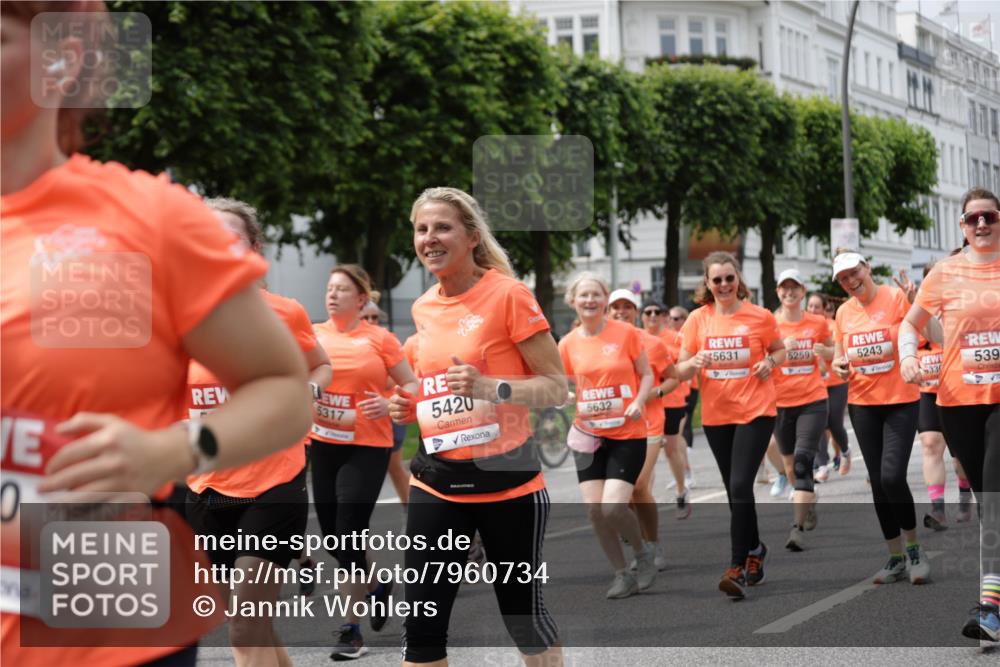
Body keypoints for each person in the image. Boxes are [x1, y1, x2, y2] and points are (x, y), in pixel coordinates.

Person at [1, 4, 312, 665]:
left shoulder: (143, 219)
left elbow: (284, 385)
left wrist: (176, 447)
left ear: (62, 59)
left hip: (98, 612)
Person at [388, 187, 566, 666]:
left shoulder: (508, 294)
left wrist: (492, 388)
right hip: (437, 482)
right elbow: (438, 387)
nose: (430, 238)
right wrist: (411, 404)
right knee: (421, 631)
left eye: (442, 227)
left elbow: (555, 388)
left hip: (507, 485)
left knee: (523, 622)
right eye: (421, 230)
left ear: (470, 237)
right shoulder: (423, 306)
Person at [184, 199, 332, 667]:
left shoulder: (283, 313)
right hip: (206, 488)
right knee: (250, 624)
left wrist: (308, 388)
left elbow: (321, 365)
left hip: (274, 483)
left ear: (252, 249)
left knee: (246, 625)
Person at [900, 187, 1000, 640]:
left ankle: (990, 608)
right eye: (973, 218)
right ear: (961, 226)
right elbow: (911, 324)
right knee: (987, 502)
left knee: (995, 498)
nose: (981, 224)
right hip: (956, 401)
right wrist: (907, 358)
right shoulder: (944, 273)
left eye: (990, 217)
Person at [311, 265, 418, 660]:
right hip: (323, 444)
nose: (333, 294)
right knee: (333, 539)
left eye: (342, 289)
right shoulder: (312, 335)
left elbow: (411, 384)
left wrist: (390, 403)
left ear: (361, 300)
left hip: (367, 445)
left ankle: (351, 631)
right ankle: (377, 587)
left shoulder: (380, 339)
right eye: (329, 288)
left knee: (348, 530)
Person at [674, 252, 787, 600]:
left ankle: (737, 566)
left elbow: (780, 351)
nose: (724, 285)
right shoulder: (697, 320)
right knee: (737, 493)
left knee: (739, 486)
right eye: (716, 279)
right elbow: (679, 369)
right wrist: (694, 361)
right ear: (707, 284)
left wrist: (770, 361)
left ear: (738, 278)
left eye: (729, 278)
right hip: (718, 416)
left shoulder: (760, 316)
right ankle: (755, 549)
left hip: (756, 411)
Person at [830, 252, 930, 585]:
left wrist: (917, 303)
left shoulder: (895, 296)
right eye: (843, 278)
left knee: (891, 476)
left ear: (867, 269)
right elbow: (839, 354)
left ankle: (914, 548)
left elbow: (916, 330)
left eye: (854, 272)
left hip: (901, 400)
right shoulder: (843, 313)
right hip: (862, 404)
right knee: (878, 482)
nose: (851, 281)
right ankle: (895, 556)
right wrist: (838, 365)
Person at [559, 275, 656, 598]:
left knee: (613, 507)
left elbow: (646, 373)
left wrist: (640, 401)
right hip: (588, 434)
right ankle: (621, 573)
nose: (590, 300)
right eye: (583, 295)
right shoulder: (568, 343)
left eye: (596, 295)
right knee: (594, 510)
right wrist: (565, 397)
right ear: (573, 300)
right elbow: (562, 385)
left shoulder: (625, 333)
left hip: (626, 433)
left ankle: (642, 553)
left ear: (604, 300)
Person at [609, 290, 679, 570]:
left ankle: (652, 542)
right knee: (617, 495)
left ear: (635, 312)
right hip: (612, 426)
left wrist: (654, 392)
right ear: (608, 311)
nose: (621, 312)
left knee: (638, 485)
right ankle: (637, 541)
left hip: (649, 423)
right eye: (616, 307)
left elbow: (673, 379)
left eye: (627, 307)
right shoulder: (599, 342)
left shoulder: (652, 343)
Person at [771, 269, 834, 551]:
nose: (789, 292)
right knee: (789, 466)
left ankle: (795, 529)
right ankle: (807, 500)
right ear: (778, 292)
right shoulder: (769, 324)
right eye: (784, 288)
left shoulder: (818, 323)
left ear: (803, 290)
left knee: (802, 460)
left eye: (794, 287)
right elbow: (760, 362)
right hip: (781, 403)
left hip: (812, 399)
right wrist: (780, 350)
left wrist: (825, 354)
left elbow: (835, 352)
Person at [913, 261, 973, 531]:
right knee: (930, 444)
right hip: (927, 391)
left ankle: (964, 493)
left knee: (959, 454)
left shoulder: (961, 307)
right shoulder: (917, 312)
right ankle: (938, 509)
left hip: (958, 390)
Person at [642, 300, 692, 519]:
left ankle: (681, 491)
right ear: (642, 316)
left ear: (665, 315)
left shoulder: (676, 339)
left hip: (672, 401)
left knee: (671, 449)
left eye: (658, 312)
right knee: (647, 455)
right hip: (647, 404)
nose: (653, 315)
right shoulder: (637, 339)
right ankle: (643, 500)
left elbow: (684, 367)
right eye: (648, 312)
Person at [807, 293, 852, 478]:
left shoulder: (833, 326)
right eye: (810, 306)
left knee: (834, 422)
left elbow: (843, 351)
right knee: (819, 424)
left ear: (825, 308)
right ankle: (822, 464)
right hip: (816, 383)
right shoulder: (805, 328)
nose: (813, 310)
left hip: (836, 382)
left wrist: (827, 351)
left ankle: (845, 451)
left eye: (817, 306)